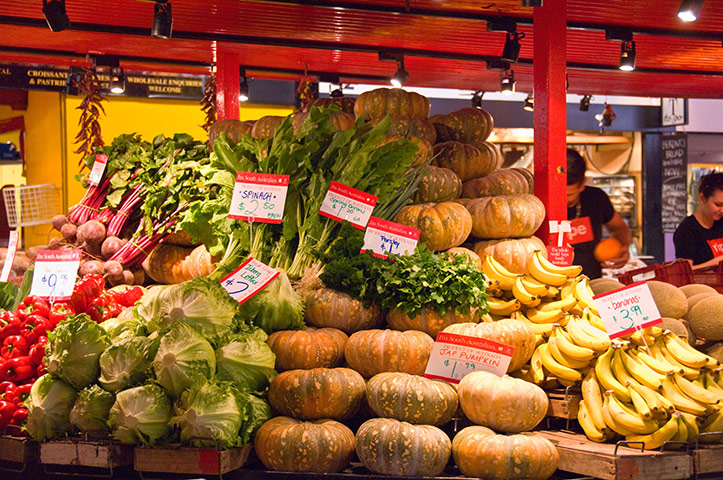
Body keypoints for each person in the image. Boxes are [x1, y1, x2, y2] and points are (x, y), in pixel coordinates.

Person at [566, 149, 632, 279]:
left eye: (569, 194)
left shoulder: (596, 198)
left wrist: (622, 247)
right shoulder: (539, 202)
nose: (562, 199)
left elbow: (618, 227)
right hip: (547, 281)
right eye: (557, 193)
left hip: (590, 282)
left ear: (582, 184)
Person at [673, 171, 723, 269]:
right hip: (701, 284)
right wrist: (716, 262)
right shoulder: (687, 229)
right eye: (718, 205)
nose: (722, 210)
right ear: (702, 198)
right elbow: (685, 271)